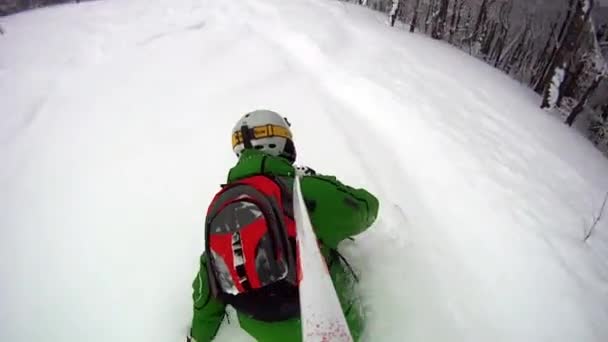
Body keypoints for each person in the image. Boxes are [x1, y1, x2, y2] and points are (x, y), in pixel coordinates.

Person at [188, 110, 379, 341]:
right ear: (281, 141)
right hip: (327, 324)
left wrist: (198, 336)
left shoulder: (221, 204)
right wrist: (314, 181)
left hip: (261, 331)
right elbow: (366, 209)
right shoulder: (300, 192)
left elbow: (208, 282)